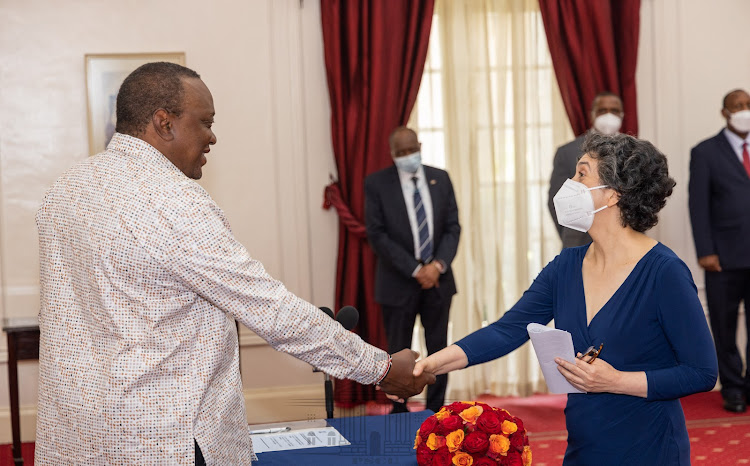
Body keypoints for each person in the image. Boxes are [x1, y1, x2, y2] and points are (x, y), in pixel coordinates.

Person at [35, 62, 434, 465]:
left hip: (79, 433)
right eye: (205, 122)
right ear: (164, 123)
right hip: (164, 438)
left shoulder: (66, 188)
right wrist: (380, 368)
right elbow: (269, 308)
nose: (212, 136)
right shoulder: (175, 202)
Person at [414, 133, 718, 464]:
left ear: (613, 194)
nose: (569, 183)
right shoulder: (566, 265)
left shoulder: (664, 271)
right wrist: (428, 365)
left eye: (582, 174)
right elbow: (506, 330)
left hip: (649, 447)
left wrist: (615, 381)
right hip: (584, 447)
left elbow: (701, 372)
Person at [364, 126, 461, 413]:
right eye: (401, 152)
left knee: (440, 351)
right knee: (398, 354)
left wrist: (437, 266)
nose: (408, 156)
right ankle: (400, 411)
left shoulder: (440, 178)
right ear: (392, 154)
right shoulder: (377, 183)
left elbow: (452, 227)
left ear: (420, 146)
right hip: (397, 283)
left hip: (438, 283)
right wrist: (416, 269)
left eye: (411, 149)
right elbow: (377, 234)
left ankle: (436, 412)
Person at [688, 88, 750, 413]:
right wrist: (705, 251)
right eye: (737, 106)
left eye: (748, 104)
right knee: (724, 327)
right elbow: (698, 206)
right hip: (722, 259)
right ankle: (733, 389)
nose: (744, 110)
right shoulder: (705, 152)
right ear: (724, 113)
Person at [548, 91, 624, 249]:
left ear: (622, 115)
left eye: (614, 111)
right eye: (602, 110)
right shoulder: (567, 152)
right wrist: (571, 233)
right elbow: (556, 200)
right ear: (592, 115)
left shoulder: (636, 152)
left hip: (625, 243)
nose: (608, 115)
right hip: (579, 244)